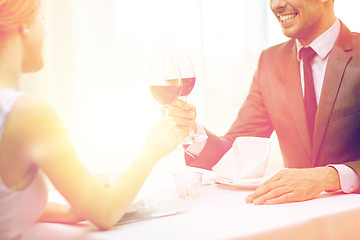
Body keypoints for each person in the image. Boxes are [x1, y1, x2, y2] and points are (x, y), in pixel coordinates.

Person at [0, 0, 190, 239]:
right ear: (23, 27)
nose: (46, 29)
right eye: (41, 18)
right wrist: (152, 150)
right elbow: (106, 212)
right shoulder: (29, 114)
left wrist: (68, 211)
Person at [169, 0, 360, 205]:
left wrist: (329, 177)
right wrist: (192, 132)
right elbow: (237, 148)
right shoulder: (270, 62)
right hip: (298, 222)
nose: (276, 4)